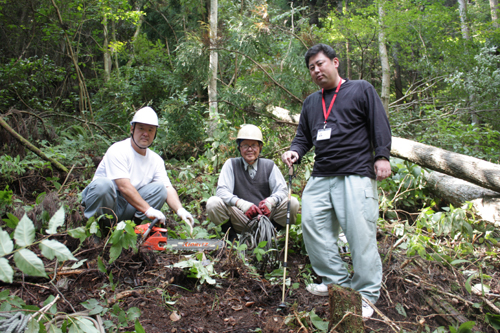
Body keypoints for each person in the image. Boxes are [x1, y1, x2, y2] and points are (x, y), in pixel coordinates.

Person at [281, 44, 392, 319]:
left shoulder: (360, 89)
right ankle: (336, 283)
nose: (316, 70)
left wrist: (382, 155)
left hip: (355, 174)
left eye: (320, 64)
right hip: (321, 176)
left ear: (335, 62)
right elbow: (304, 136)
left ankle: (365, 295)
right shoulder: (310, 102)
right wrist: (295, 150)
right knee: (312, 227)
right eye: (311, 68)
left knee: (360, 235)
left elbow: (379, 122)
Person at [81, 106, 194, 235]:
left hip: (128, 209)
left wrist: (180, 210)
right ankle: (93, 232)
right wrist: (148, 210)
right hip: (107, 205)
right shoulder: (118, 150)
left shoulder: (155, 160)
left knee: (160, 189)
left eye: (150, 130)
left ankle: (135, 233)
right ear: (132, 128)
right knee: (103, 185)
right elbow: (124, 187)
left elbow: (168, 188)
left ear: (155, 133)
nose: (145, 133)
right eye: (141, 128)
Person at [206, 124, 299, 241]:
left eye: (254, 145)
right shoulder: (231, 164)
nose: (250, 149)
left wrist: (271, 201)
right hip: (240, 218)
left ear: (260, 147)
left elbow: (283, 190)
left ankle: (271, 234)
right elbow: (221, 191)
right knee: (213, 203)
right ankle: (232, 238)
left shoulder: (269, 165)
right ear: (239, 148)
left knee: (293, 203)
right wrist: (241, 204)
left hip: (266, 218)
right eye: (245, 145)